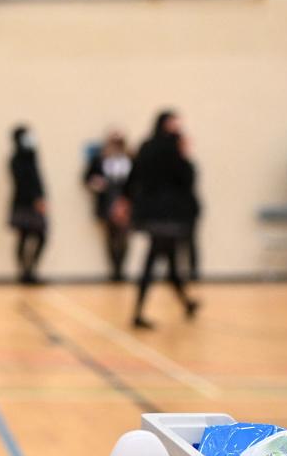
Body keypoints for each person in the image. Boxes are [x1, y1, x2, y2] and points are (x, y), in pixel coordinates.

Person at [125, 110, 200, 329]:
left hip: (154, 214)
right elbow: (187, 180)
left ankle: (187, 303)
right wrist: (185, 155)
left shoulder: (147, 146)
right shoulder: (174, 149)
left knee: (169, 260)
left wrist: (127, 199)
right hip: (168, 215)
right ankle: (138, 313)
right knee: (155, 260)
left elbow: (133, 177)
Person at [83, 130, 133, 281]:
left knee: (124, 236)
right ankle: (114, 270)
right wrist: (96, 183)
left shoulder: (130, 159)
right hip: (107, 201)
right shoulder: (100, 159)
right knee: (111, 237)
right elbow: (87, 178)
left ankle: (121, 269)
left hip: (125, 201)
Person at [9, 125, 47, 285]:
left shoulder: (32, 156)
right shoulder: (16, 159)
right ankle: (24, 272)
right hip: (23, 203)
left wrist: (42, 197)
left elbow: (38, 179)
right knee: (24, 236)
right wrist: (36, 199)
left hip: (33, 202)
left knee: (40, 236)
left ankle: (31, 270)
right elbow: (24, 182)